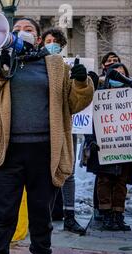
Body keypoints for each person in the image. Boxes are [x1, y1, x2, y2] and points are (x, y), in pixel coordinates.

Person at [0, 17, 94, 254]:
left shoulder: (54, 66)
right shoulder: (0, 62)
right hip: (7, 153)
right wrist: (0, 71)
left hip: (44, 152)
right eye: (16, 29)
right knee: (4, 215)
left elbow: (75, 103)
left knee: (42, 214)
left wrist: (80, 81)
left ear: (39, 39)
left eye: (28, 29)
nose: (21, 33)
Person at [83, 63, 132, 231]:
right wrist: (91, 140)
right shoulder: (99, 95)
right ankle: (107, 215)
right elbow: (91, 121)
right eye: (116, 73)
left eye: (122, 73)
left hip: (125, 148)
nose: (119, 75)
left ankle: (118, 215)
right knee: (104, 181)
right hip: (104, 148)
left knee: (121, 183)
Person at [41, 28, 86, 235]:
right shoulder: (37, 68)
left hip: (67, 127)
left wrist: (83, 81)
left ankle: (70, 216)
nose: (51, 44)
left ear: (62, 45)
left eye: (55, 41)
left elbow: (78, 100)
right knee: (43, 174)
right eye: (47, 40)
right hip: (43, 128)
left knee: (68, 173)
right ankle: (45, 216)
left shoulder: (69, 68)